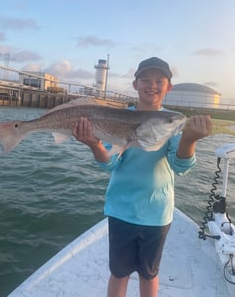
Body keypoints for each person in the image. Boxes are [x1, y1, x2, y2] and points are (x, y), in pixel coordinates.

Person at [72, 57, 211, 297]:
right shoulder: (114, 117)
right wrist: (94, 144)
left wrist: (189, 140)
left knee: (149, 274)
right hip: (121, 210)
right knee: (119, 273)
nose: (152, 85)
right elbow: (110, 164)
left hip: (156, 215)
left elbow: (181, 167)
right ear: (135, 84)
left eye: (159, 80)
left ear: (169, 87)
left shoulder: (171, 121)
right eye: (145, 79)